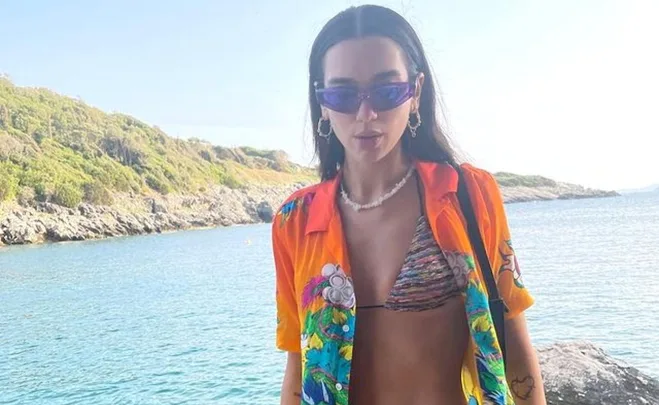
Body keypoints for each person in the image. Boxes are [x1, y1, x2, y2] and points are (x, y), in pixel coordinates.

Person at [272, 5, 546, 405]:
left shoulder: (469, 194)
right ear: (324, 104)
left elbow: (516, 351)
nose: (367, 114)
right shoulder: (294, 222)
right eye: (344, 95)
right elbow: (298, 369)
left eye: (386, 91)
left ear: (415, 93)